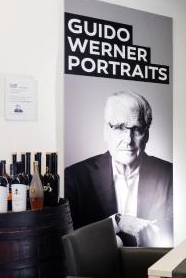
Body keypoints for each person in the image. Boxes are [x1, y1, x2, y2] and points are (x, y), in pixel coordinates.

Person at [65, 91, 173, 247]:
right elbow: (69, 237)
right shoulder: (76, 177)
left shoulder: (168, 174)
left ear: (147, 134)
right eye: (119, 127)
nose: (128, 140)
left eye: (136, 129)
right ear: (106, 131)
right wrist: (117, 222)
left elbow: (170, 229)